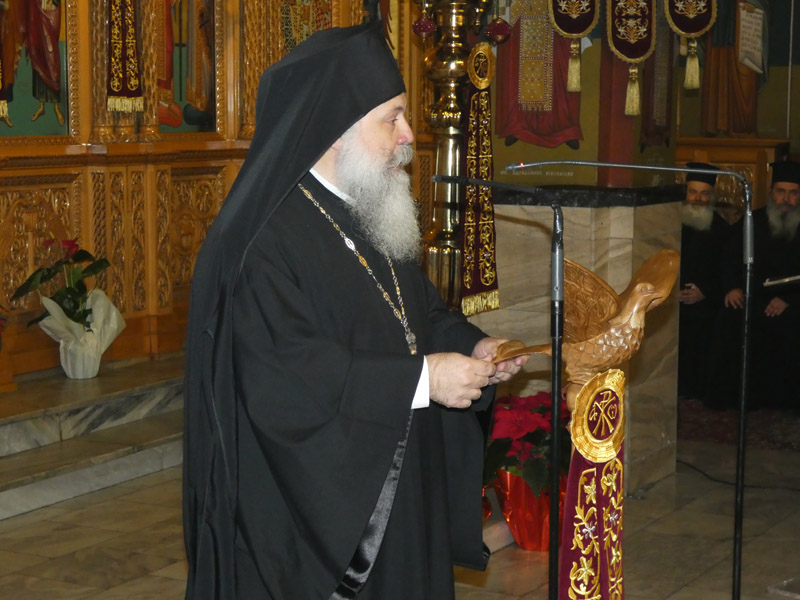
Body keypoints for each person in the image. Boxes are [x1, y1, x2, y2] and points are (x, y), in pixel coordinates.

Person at [182, 22, 528, 600]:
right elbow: (291, 377)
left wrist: (473, 345)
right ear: (334, 132)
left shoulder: (373, 208)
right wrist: (424, 380)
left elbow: (419, 314)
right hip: (319, 522)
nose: (409, 135)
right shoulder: (263, 244)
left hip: (397, 484)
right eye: (392, 119)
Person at [707, 160, 800, 410]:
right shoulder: (752, 220)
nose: (786, 199)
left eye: (793, 193)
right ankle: (737, 398)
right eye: (781, 192)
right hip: (751, 296)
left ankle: (784, 400)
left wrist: (789, 300)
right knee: (730, 318)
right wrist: (732, 287)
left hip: (792, 300)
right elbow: (728, 257)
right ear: (771, 193)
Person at [677, 163, 732, 401]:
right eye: (693, 192)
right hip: (672, 301)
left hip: (706, 304)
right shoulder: (669, 225)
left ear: (712, 196)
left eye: (704, 193)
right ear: (686, 193)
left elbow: (728, 271)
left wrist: (704, 291)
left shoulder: (724, 231)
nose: (698, 199)